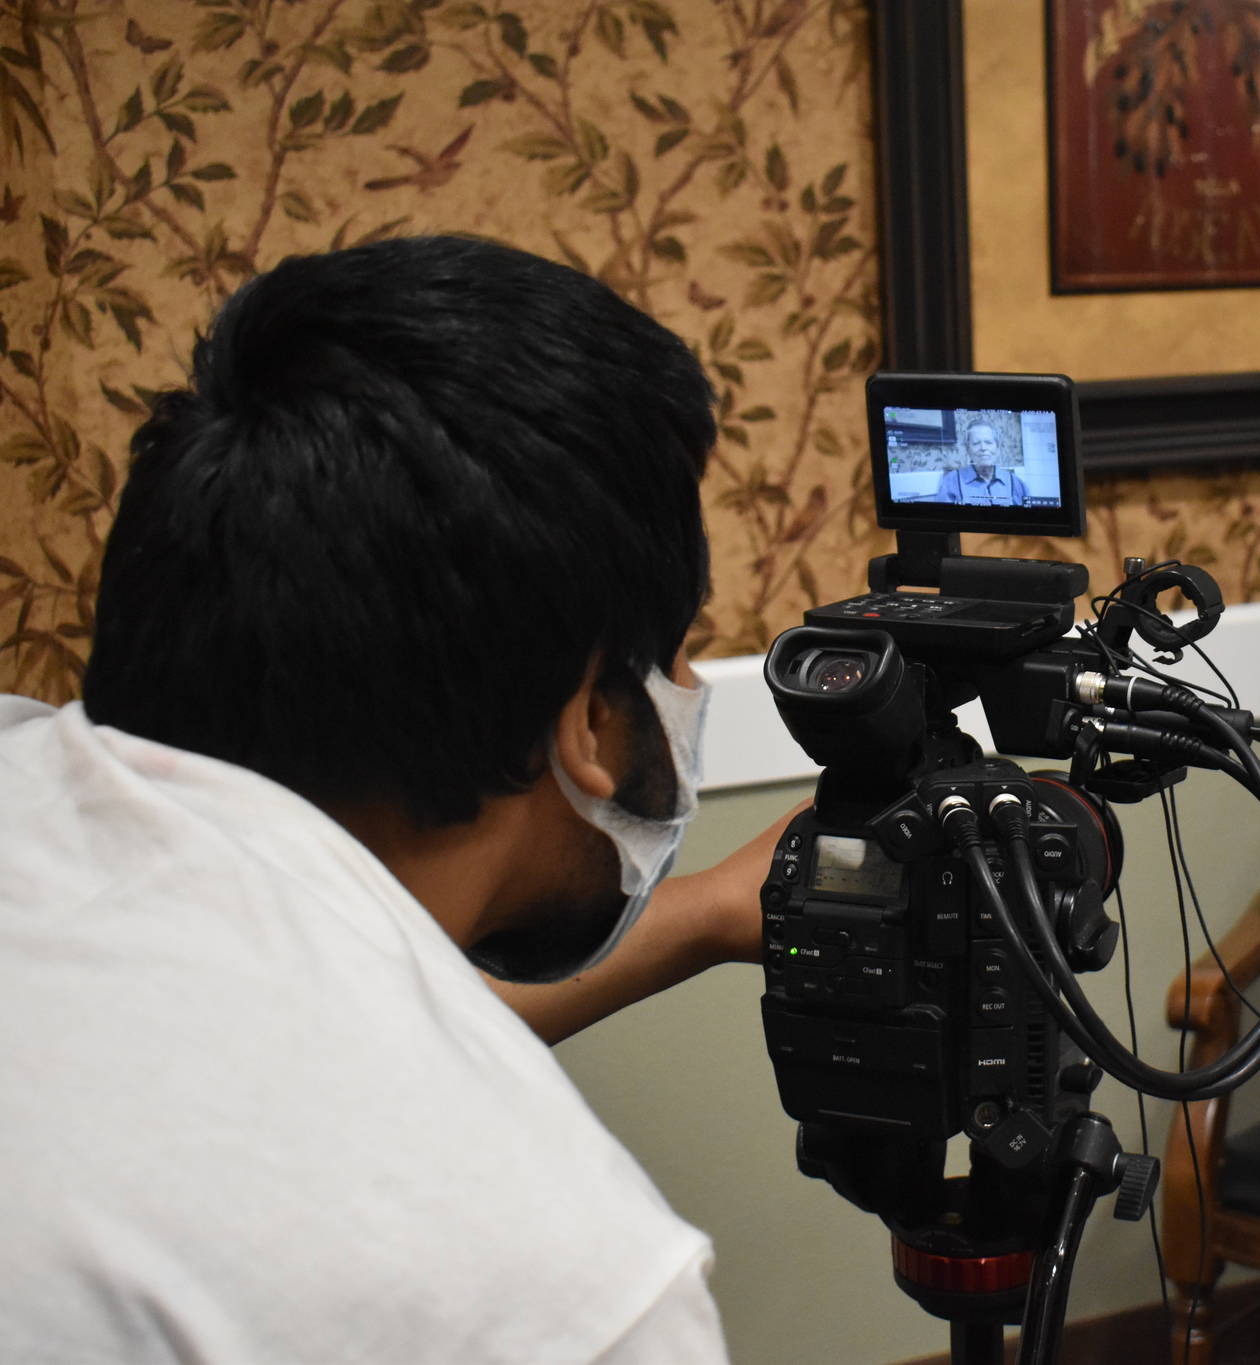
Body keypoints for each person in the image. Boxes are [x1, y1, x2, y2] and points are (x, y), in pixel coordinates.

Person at [0, 235, 788, 1362]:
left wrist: (708, 910)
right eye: (671, 662)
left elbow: (273, 1038)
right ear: (585, 721)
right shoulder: (562, 1291)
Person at [933, 419, 1029, 505]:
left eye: (988, 442)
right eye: (976, 443)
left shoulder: (1016, 483)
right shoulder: (950, 481)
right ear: (968, 450)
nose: (983, 448)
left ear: (998, 448)